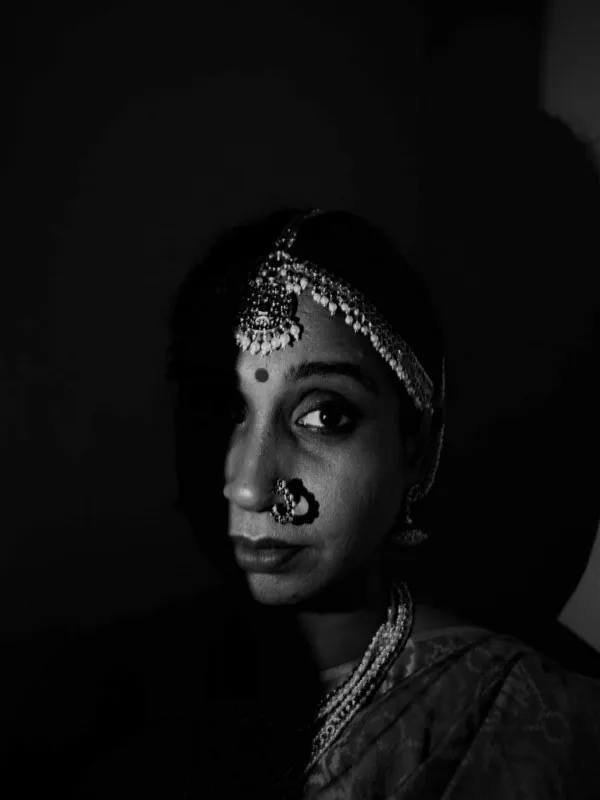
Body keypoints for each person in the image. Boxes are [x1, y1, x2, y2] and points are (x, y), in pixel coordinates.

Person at [72, 208, 600, 798]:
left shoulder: (518, 717)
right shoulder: (94, 700)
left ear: (417, 451)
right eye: (223, 410)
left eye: (325, 415)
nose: (249, 485)